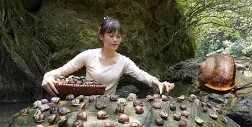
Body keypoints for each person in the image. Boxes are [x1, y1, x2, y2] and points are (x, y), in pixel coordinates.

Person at [42, 17, 175, 96]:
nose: (115, 40)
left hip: (109, 105)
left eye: (118, 36)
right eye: (111, 36)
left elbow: (141, 74)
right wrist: (48, 76)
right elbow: (62, 71)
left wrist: (158, 82)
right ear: (101, 36)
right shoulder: (88, 55)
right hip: (84, 104)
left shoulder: (123, 61)